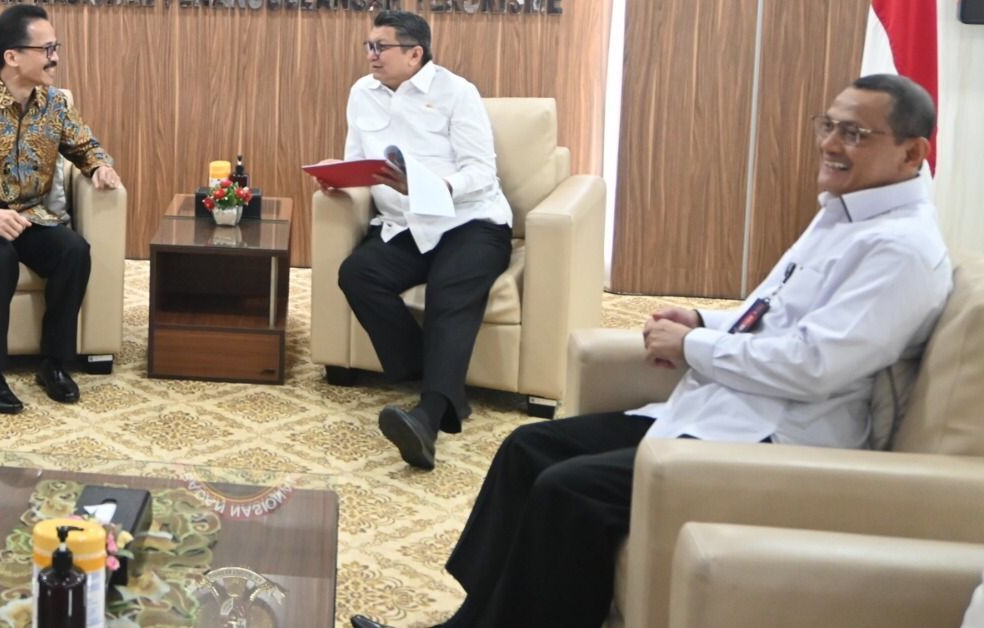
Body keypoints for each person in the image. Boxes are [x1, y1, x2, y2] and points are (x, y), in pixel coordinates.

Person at [350, 74, 952, 628]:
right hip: (725, 412)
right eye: (829, 126)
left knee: (568, 491)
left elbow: (814, 366)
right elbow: (771, 315)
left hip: (776, 444)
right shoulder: (842, 214)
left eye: (855, 134)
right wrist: (702, 319)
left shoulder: (898, 251)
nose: (831, 144)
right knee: (526, 448)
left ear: (912, 153)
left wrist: (694, 345)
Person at [314, 10, 514, 470]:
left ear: (414, 54)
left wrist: (428, 187)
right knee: (358, 274)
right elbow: (359, 162)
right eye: (369, 46)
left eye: (380, 47)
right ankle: (434, 379)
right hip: (404, 226)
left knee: (448, 289)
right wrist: (339, 180)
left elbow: (481, 173)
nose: (371, 55)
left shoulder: (457, 93)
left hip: (470, 222)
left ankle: (428, 418)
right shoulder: (362, 93)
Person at [0, 3, 123, 414]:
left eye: (56, 47)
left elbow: (84, 145)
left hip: (28, 214)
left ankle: (54, 363)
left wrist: (99, 166)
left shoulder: (55, 105)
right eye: (46, 49)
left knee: (74, 251)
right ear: (12, 56)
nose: (55, 58)